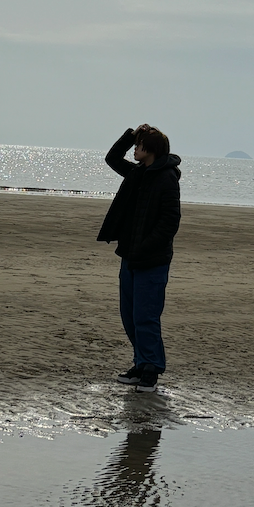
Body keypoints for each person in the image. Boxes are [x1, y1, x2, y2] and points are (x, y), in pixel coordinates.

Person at [97, 124, 181, 392]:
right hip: (130, 257)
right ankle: (141, 364)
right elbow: (111, 158)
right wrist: (131, 133)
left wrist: (145, 247)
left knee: (146, 317)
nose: (135, 148)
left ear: (151, 150)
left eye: (140, 144)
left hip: (152, 260)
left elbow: (170, 222)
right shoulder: (137, 173)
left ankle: (151, 371)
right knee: (130, 316)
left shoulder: (166, 178)